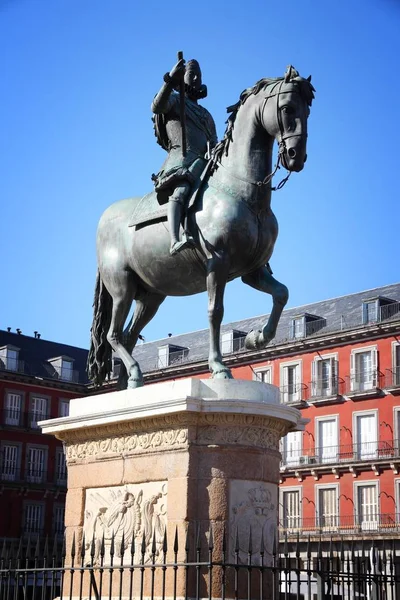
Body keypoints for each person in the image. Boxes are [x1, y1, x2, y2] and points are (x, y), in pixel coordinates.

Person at [151, 58, 217, 255]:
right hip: (181, 161)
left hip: (204, 163)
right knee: (181, 190)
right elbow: (156, 106)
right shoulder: (173, 99)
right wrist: (170, 79)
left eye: (199, 75)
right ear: (183, 76)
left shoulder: (206, 114)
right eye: (191, 74)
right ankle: (174, 239)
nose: (196, 78)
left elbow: (213, 140)